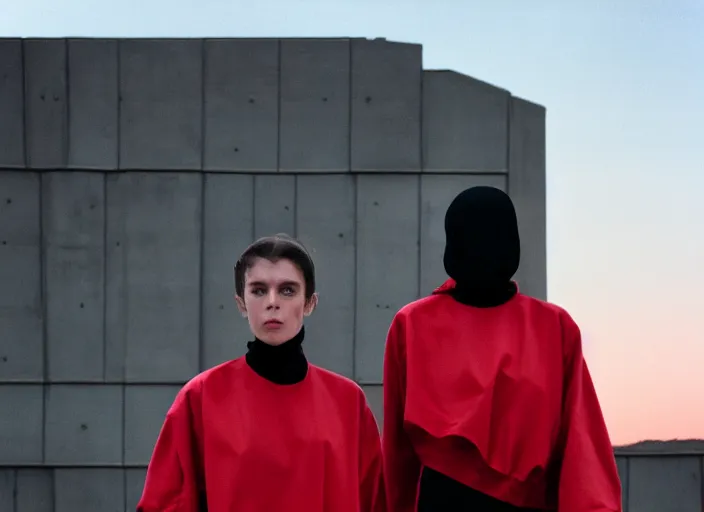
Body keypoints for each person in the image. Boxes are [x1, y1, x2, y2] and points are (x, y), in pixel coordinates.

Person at [382, 186, 622, 511]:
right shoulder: (412, 325)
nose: (483, 249)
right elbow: (397, 454)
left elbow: (581, 446)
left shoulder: (554, 328)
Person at [137, 234, 386, 512]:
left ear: (310, 303)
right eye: (258, 290)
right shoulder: (202, 397)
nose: (272, 302)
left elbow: (374, 500)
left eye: (288, 290)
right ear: (241, 303)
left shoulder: (347, 402)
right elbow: (167, 501)